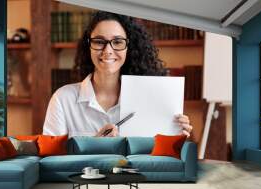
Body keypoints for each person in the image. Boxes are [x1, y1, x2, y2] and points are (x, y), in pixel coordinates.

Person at [43, 11, 193, 137]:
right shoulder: (63, 99)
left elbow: (158, 160)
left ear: (129, 47)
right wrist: (91, 146)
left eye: (118, 42)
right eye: (99, 41)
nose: (108, 51)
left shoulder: (150, 101)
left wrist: (176, 140)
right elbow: (49, 162)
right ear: (88, 46)